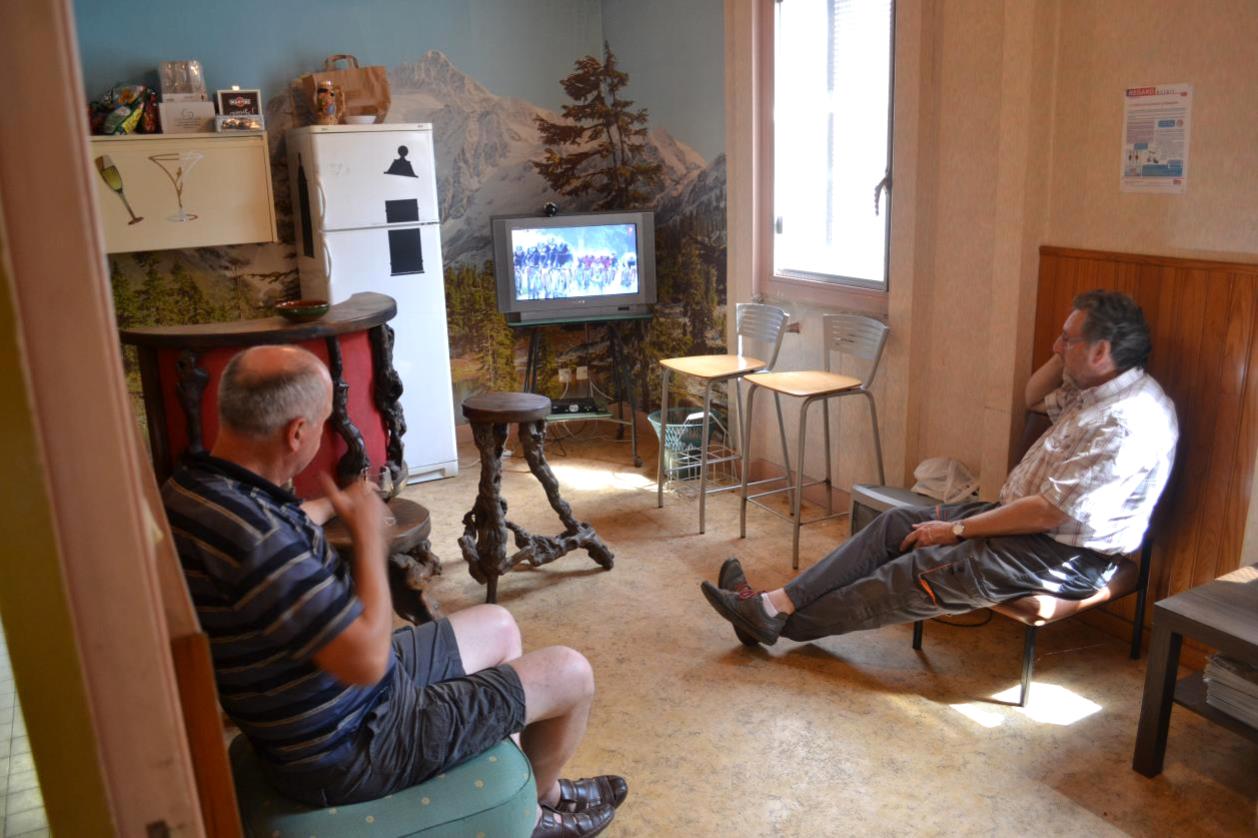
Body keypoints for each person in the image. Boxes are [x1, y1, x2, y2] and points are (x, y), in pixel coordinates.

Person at [162, 345, 625, 837]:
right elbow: (366, 658)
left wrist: (330, 506)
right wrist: (368, 543)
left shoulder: (201, 487)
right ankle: (536, 815)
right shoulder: (263, 541)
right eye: (320, 424)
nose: (320, 435)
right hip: (354, 746)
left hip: (334, 710)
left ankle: (537, 797)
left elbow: (283, 524)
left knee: (498, 623)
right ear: (296, 432)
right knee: (571, 674)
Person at [701, 289, 1178, 647]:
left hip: (1057, 557)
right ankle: (771, 606)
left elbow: (1049, 513)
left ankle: (769, 616)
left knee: (918, 568)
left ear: (1101, 352)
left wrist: (959, 530)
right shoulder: (1099, 388)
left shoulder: (1126, 421)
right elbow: (1034, 398)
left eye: (1067, 340)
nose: (1055, 346)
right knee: (897, 524)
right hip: (1025, 531)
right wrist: (1068, 355)